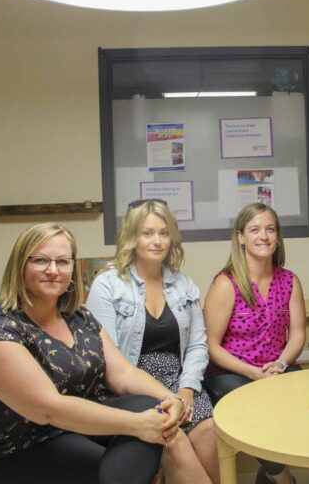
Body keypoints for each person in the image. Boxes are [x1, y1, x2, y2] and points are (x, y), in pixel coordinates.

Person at [0, 223, 186, 484]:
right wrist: (138, 425)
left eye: (62, 261)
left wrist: (172, 399)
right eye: (40, 260)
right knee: (135, 447)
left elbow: (124, 374)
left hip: (72, 429)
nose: (53, 270)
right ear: (19, 266)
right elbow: (48, 409)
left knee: (151, 407)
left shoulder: (78, 317)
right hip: (17, 450)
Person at [86, 199, 218, 484]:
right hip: (130, 386)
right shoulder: (107, 285)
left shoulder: (184, 285)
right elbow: (110, 362)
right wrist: (167, 399)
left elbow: (197, 346)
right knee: (171, 438)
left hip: (180, 381)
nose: (157, 241)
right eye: (147, 233)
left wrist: (187, 389)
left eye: (163, 233)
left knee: (208, 432)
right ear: (132, 237)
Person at [203, 203, 306, 484]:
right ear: (240, 237)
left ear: (278, 236)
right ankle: (283, 477)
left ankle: (268, 475)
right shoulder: (226, 284)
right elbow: (211, 346)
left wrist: (282, 363)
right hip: (231, 373)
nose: (264, 236)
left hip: (277, 369)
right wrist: (253, 373)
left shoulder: (290, 281)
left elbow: (297, 335)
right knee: (254, 409)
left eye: (270, 229)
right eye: (255, 229)